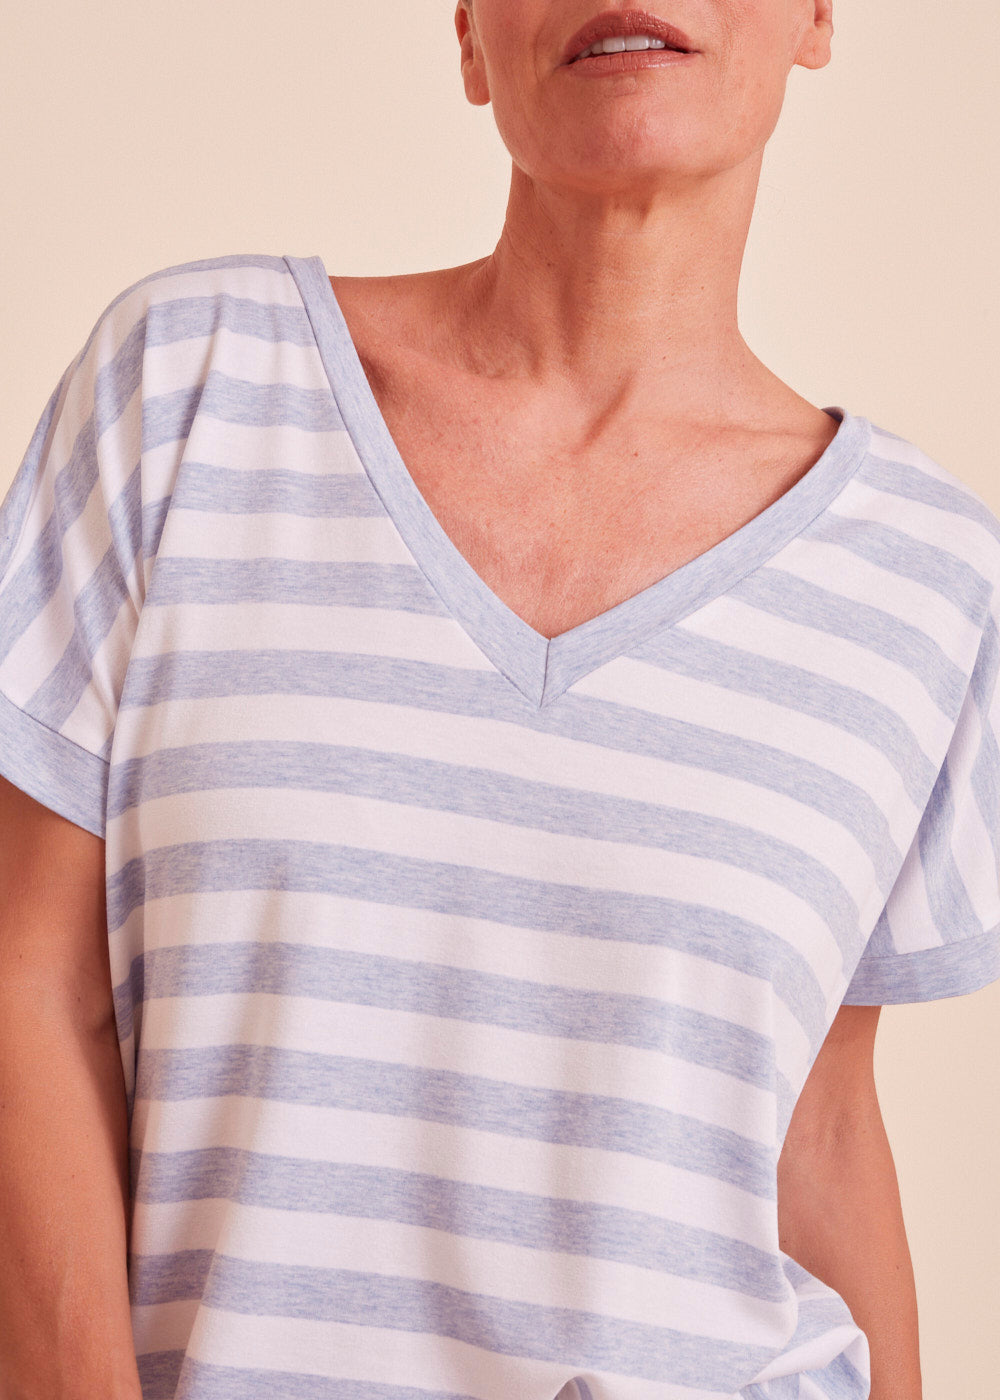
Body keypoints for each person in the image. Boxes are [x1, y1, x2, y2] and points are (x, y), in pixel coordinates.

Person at [1, 2, 997, 1397]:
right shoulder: (191, 384)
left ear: (818, 15)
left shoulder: (927, 575)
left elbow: (818, 1125)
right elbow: (29, 981)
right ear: (471, 36)